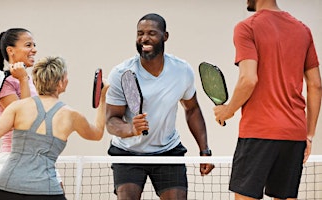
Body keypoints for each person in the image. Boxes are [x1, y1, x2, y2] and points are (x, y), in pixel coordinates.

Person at [213, 0, 322, 199]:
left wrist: (227, 111)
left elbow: (248, 79)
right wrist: (309, 135)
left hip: (259, 132)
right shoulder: (303, 30)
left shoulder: (247, 27)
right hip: (294, 134)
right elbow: (315, 85)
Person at [106, 13, 214, 200]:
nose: (144, 38)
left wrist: (204, 149)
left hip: (168, 150)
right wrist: (131, 128)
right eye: (140, 33)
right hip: (128, 153)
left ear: (165, 36)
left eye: (151, 33)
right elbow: (111, 120)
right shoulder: (122, 73)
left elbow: (192, 109)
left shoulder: (182, 70)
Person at [0, 56, 108, 200]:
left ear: (35, 81)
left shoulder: (18, 107)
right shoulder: (72, 115)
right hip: (46, 192)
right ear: (60, 83)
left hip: (5, 189)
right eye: (66, 77)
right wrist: (103, 99)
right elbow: (97, 134)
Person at [0, 28, 65, 188]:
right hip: (13, 157)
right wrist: (23, 79)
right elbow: (25, 118)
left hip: (41, 154)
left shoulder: (31, 81)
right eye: (28, 45)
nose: (34, 49)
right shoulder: (5, 85)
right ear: (10, 50)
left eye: (34, 44)